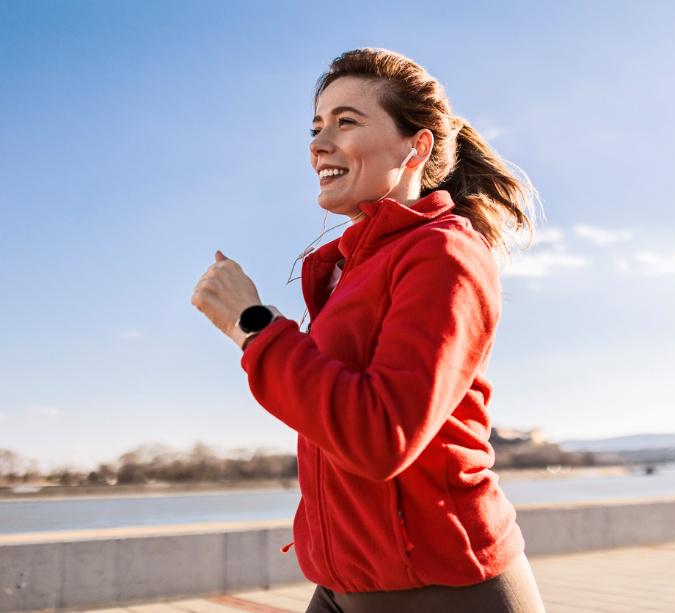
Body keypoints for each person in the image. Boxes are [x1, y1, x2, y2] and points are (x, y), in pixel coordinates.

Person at [191, 47, 546, 613]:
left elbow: (382, 438)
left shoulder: (444, 254)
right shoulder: (347, 268)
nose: (318, 144)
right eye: (316, 127)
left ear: (416, 147)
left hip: (444, 590)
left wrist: (253, 325)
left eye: (346, 122)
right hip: (343, 582)